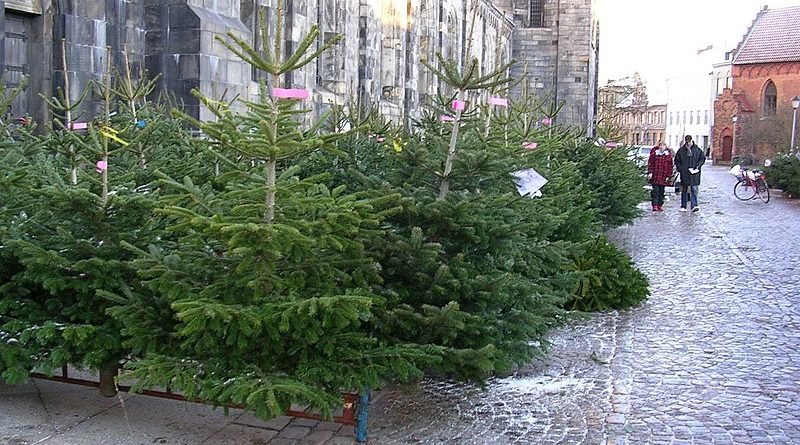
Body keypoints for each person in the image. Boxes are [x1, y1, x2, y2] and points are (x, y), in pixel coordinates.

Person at [674, 135, 705, 212]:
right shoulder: (681, 151)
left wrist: (698, 166)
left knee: (694, 189)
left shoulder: (697, 150)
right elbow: (677, 160)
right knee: (684, 189)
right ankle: (683, 205)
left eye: (689, 142)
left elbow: (702, 159)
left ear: (692, 141)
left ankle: (694, 205)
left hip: (694, 173)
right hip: (685, 173)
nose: (688, 143)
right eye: (687, 142)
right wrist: (680, 169)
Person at [647, 141, 673, 211]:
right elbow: (650, 164)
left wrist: (669, 176)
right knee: (655, 192)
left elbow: (670, 166)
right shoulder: (654, 154)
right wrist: (650, 172)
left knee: (661, 192)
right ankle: (655, 205)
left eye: (663, 145)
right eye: (660, 145)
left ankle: (660, 205)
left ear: (665, 147)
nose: (662, 147)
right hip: (655, 175)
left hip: (663, 176)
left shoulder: (668, 155)